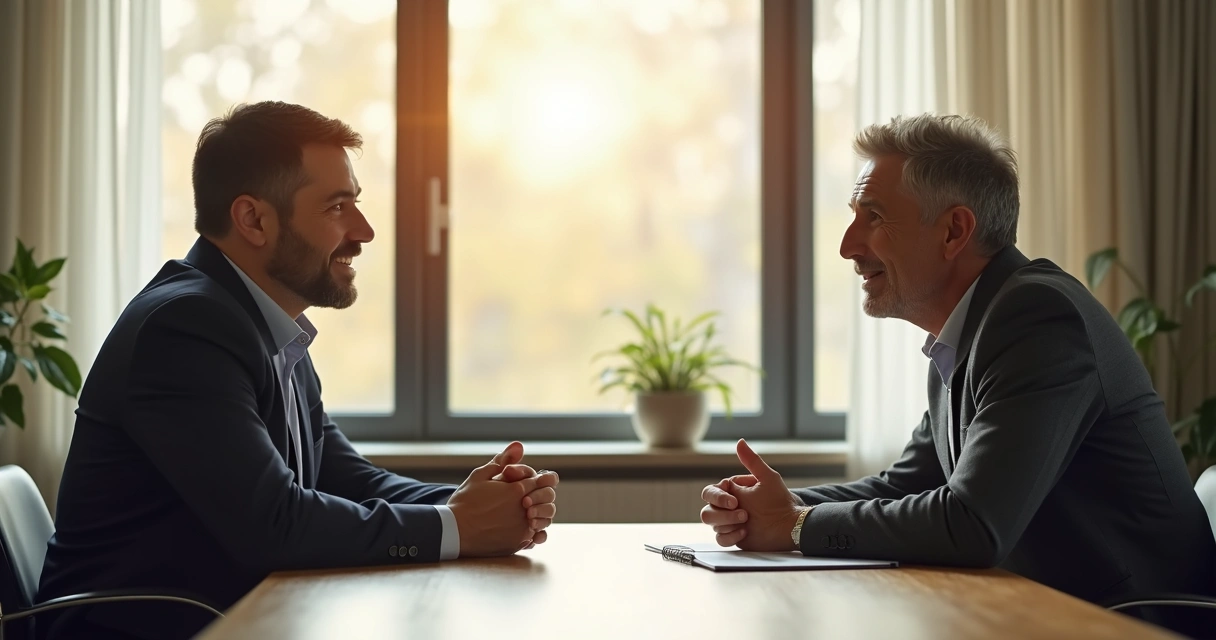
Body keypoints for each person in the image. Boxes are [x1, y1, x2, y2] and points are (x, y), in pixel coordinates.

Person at [36, 101, 559, 640]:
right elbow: (274, 524)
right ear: (254, 219)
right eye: (337, 207)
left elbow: (343, 478)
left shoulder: (265, 323)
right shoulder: (186, 328)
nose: (365, 231)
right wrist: (458, 528)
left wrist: (467, 503)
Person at [698, 114, 1215, 633]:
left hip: (1138, 624)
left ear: (954, 231)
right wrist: (770, 508)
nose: (848, 245)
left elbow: (973, 523)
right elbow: (906, 486)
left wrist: (794, 525)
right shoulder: (970, 332)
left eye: (873, 217)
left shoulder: (1038, 316)